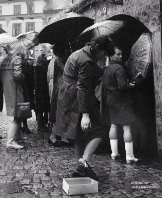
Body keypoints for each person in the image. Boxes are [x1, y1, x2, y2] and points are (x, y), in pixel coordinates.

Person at [55, 35, 115, 180]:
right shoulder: (87, 61)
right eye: (104, 53)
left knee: (79, 134)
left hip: (68, 95)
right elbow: (82, 87)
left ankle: (80, 169)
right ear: (98, 48)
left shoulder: (82, 53)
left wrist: (101, 70)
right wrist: (86, 115)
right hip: (77, 97)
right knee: (99, 130)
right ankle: (84, 160)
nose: (104, 56)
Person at [102, 46, 138, 163]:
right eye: (118, 54)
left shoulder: (107, 68)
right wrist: (131, 85)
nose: (120, 56)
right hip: (122, 102)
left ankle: (114, 153)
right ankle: (129, 156)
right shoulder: (119, 68)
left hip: (111, 101)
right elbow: (121, 86)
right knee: (127, 128)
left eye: (121, 54)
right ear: (111, 56)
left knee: (113, 126)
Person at [0, 45, 28, 149]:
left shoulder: (4, 60)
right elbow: (18, 75)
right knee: (17, 115)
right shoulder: (16, 59)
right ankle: (11, 141)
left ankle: (18, 137)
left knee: (18, 114)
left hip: (8, 89)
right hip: (15, 89)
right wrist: (24, 75)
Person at [48, 43, 70, 147]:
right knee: (57, 112)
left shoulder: (59, 59)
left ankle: (60, 135)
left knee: (60, 112)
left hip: (61, 86)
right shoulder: (59, 60)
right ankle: (53, 136)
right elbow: (66, 70)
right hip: (60, 88)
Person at [34, 49, 50, 132]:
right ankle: (41, 125)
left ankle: (41, 124)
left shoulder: (36, 67)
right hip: (43, 90)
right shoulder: (44, 68)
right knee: (43, 109)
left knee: (40, 109)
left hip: (38, 90)